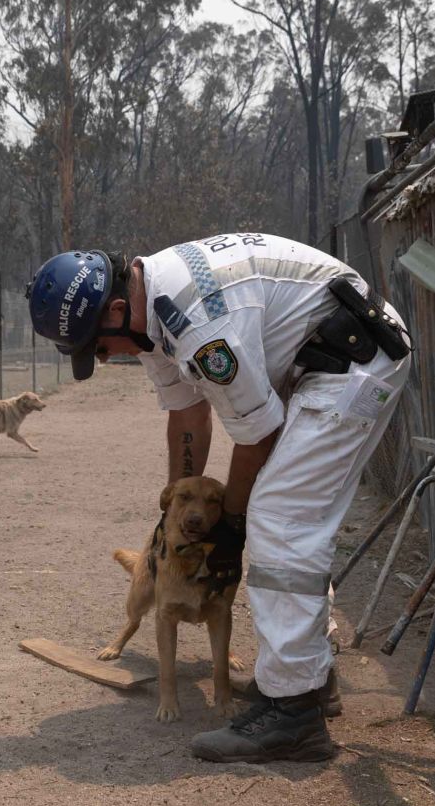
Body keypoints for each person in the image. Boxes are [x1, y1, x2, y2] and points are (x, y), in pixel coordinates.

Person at [26, 234, 412, 763]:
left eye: (99, 346)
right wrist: (174, 518)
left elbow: (255, 437)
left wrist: (229, 527)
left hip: (354, 364)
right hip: (322, 360)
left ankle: (294, 711)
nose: (105, 356)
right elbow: (187, 416)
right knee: (284, 516)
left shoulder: (198, 326)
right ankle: (308, 680)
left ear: (116, 311)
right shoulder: (150, 316)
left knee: (278, 516)